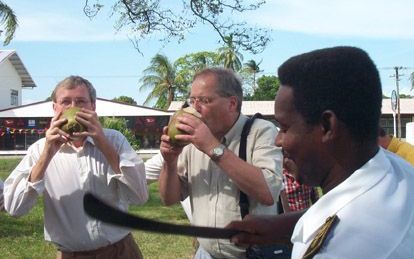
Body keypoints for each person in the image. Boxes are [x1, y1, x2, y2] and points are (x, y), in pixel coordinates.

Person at [228, 46, 414, 258]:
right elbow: (342, 212)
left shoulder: (343, 250)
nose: (278, 141)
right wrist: (280, 226)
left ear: (327, 126)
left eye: (285, 128)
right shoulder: (396, 171)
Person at [4, 76, 148, 259]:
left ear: (93, 106)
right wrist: (47, 154)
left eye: (81, 102)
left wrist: (102, 143)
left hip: (120, 251)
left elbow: (140, 196)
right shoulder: (39, 150)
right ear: (54, 108)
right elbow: (15, 208)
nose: (73, 108)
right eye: (65, 102)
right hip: (71, 255)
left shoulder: (114, 140)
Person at [158, 67, 283, 258]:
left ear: (232, 103)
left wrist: (212, 147)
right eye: (192, 101)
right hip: (205, 253)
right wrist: (170, 162)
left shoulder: (261, 131)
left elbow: (268, 193)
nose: (194, 108)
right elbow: (169, 198)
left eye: (204, 101)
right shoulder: (192, 142)